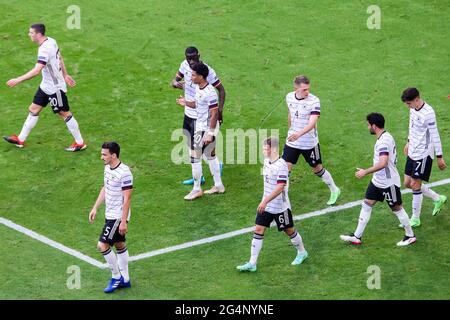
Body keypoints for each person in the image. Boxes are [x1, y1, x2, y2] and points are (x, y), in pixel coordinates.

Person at [3, 23, 86, 151]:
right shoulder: (51, 40)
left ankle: (80, 143)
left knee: (64, 113)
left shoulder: (44, 50)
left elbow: (36, 71)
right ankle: (20, 139)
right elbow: (60, 58)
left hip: (55, 88)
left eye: (31, 33)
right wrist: (65, 74)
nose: (29, 35)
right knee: (33, 109)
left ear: (38, 34)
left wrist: (17, 80)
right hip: (45, 86)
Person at [340, 113, 416, 246]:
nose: (368, 127)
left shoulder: (383, 142)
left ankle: (410, 235)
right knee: (367, 204)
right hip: (378, 181)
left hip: (388, 182)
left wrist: (365, 172)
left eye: (368, 125)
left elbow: (383, 163)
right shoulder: (386, 136)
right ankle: (357, 236)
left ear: (374, 126)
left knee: (397, 208)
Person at [237, 137, 308, 272]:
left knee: (289, 231)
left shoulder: (282, 166)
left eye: (266, 149)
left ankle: (302, 252)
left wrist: (264, 201)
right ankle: (252, 263)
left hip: (280, 207)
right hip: (267, 205)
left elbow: (280, 187)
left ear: (273, 149)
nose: (263, 151)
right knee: (258, 229)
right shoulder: (266, 162)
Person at [281, 75, 340, 205]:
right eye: (304, 90)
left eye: (308, 89)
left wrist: (299, 134)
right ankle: (284, 201)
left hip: (309, 143)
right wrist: (291, 129)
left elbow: (312, 123)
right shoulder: (289, 97)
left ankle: (335, 189)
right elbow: (290, 112)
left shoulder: (314, 101)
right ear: (296, 88)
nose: (307, 92)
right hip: (292, 141)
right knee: (285, 169)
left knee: (317, 169)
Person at [171, 47, 225, 185]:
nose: (190, 61)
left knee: (203, 149)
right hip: (189, 111)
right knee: (191, 145)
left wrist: (219, 111)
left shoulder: (206, 71)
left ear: (199, 55)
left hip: (201, 116)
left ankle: (212, 173)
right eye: (188, 58)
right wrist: (176, 84)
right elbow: (175, 80)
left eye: (193, 58)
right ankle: (201, 176)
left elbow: (221, 90)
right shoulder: (184, 65)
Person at [89, 142, 133, 293]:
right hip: (110, 213)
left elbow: (127, 198)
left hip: (118, 215)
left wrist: (123, 221)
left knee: (102, 245)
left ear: (113, 155)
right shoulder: (107, 167)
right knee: (119, 244)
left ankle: (116, 277)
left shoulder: (125, 172)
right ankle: (125, 279)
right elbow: (105, 188)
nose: (101, 157)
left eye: (104, 154)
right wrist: (95, 207)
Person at [400, 87, 447, 227]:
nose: (408, 106)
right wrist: (408, 141)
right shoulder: (412, 109)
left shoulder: (429, 113)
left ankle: (415, 218)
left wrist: (439, 157)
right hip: (413, 150)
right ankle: (438, 198)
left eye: (409, 103)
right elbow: (412, 126)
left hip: (424, 153)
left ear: (417, 99)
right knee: (407, 183)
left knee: (415, 184)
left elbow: (435, 135)